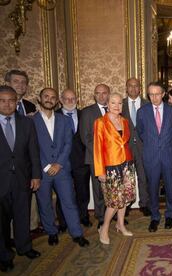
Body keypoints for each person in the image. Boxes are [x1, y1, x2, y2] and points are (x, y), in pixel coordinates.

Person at [32, 88, 89, 248]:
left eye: (52, 97)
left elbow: (68, 143)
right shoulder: (30, 121)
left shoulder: (63, 120)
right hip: (42, 171)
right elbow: (32, 148)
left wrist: (58, 164)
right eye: (46, 96)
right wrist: (45, 166)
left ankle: (77, 233)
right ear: (40, 98)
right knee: (45, 203)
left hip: (62, 169)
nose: (49, 99)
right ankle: (51, 232)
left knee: (69, 201)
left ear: (57, 101)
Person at [0, 85, 41, 272]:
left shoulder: (26, 123)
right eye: (2, 100)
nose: (7, 104)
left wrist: (36, 175)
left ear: (17, 102)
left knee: (22, 215)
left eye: (11, 100)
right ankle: (4, 255)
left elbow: (33, 151)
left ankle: (24, 247)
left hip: (23, 179)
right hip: (1, 181)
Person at [94, 92, 136, 244]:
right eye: (113, 103)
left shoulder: (124, 121)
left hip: (126, 164)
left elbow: (125, 142)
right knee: (114, 201)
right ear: (107, 104)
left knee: (125, 198)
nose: (117, 106)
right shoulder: (100, 122)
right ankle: (104, 228)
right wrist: (100, 171)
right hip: (111, 166)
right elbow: (97, 148)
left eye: (119, 103)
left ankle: (120, 224)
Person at [137, 82, 172, 232]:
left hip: (168, 155)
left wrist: (164, 143)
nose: (154, 97)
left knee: (170, 187)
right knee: (152, 188)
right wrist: (152, 143)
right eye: (151, 94)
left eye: (157, 94)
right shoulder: (142, 112)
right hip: (151, 155)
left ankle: (169, 215)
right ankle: (154, 217)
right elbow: (140, 131)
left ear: (163, 94)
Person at [4, 70, 40, 234]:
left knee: (23, 209)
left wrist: (35, 173)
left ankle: (24, 242)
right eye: (16, 81)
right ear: (7, 83)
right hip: (4, 172)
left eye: (23, 82)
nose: (20, 85)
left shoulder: (30, 106)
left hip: (24, 169)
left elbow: (33, 145)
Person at [79, 84, 110, 228]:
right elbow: (86, 138)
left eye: (104, 93)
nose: (101, 96)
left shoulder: (114, 109)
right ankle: (101, 217)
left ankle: (112, 213)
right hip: (95, 157)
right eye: (98, 93)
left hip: (114, 158)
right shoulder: (87, 112)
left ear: (108, 94)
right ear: (94, 95)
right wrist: (102, 152)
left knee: (112, 187)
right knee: (99, 189)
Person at [121, 78, 150, 217]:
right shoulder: (120, 104)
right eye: (130, 86)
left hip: (144, 147)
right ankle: (126, 205)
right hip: (125, 147)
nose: (133, 88)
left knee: (144, 176)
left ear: (140, 88)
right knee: (127, 178)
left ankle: (144, 204)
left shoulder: (147, 104)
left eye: (136, 86)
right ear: (126, 88)